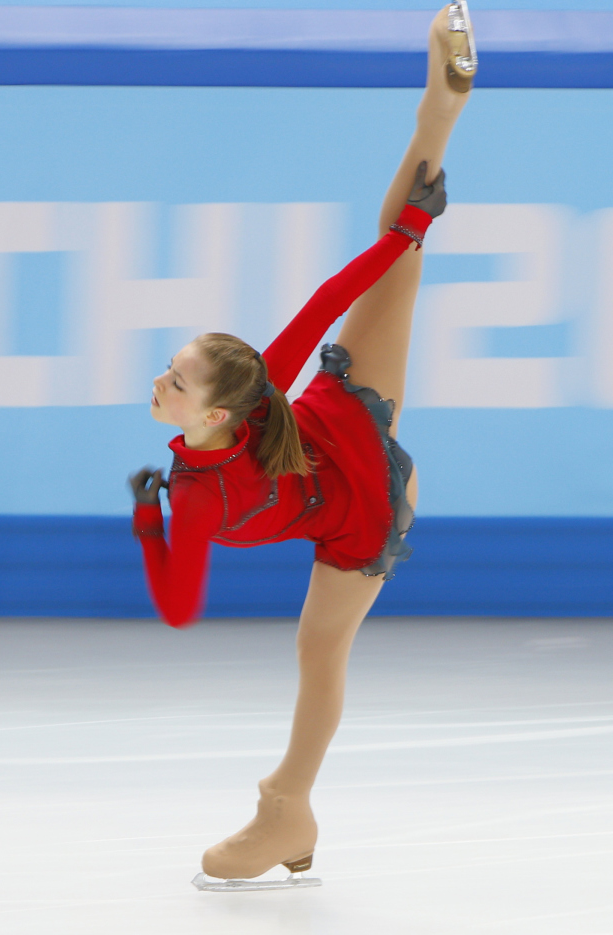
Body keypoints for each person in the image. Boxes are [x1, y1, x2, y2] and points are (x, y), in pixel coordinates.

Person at [130, 3, 476, 885]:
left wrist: (148, 522)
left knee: (319, 655)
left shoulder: (203, 489)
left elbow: (176, 602)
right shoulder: (256, 392)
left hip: (356, 499)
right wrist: (407, 232)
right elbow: (325, 300)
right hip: (342, 425)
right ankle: (436, 121)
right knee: (399, 263)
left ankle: (287, 808)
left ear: (214, 414)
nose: (159, 381)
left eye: (174, 377)